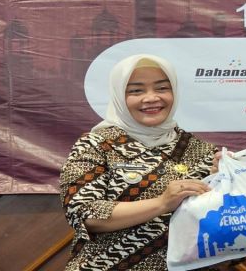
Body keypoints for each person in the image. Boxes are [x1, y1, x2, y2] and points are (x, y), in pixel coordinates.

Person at [59, 54, 223, 271]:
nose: (151, 98)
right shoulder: (96, 144)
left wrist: (222, 185)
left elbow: (219, 222)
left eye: (162, 88)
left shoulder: (201, 150)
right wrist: (162, 203)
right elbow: (84, 212)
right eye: (136, 91)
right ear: (119, 96)